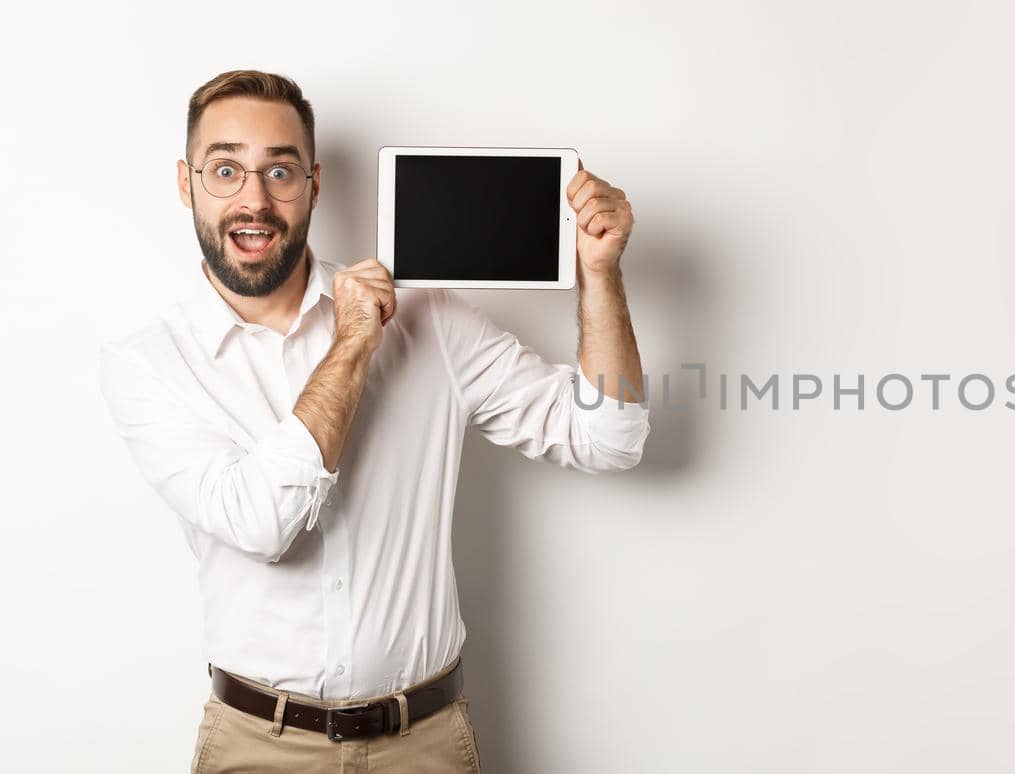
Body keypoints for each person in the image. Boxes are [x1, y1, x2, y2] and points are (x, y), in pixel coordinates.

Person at [97, 69, 651, 773]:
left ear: (315, 185)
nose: (255, 200)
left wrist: (601, 274)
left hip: (425, 743)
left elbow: (610, 439)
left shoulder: (432, 322)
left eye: (281, 171)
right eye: (226, 169)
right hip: (256, 747)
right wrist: (354, 342)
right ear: (186, 183)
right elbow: (262, 524)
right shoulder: (149, 364)